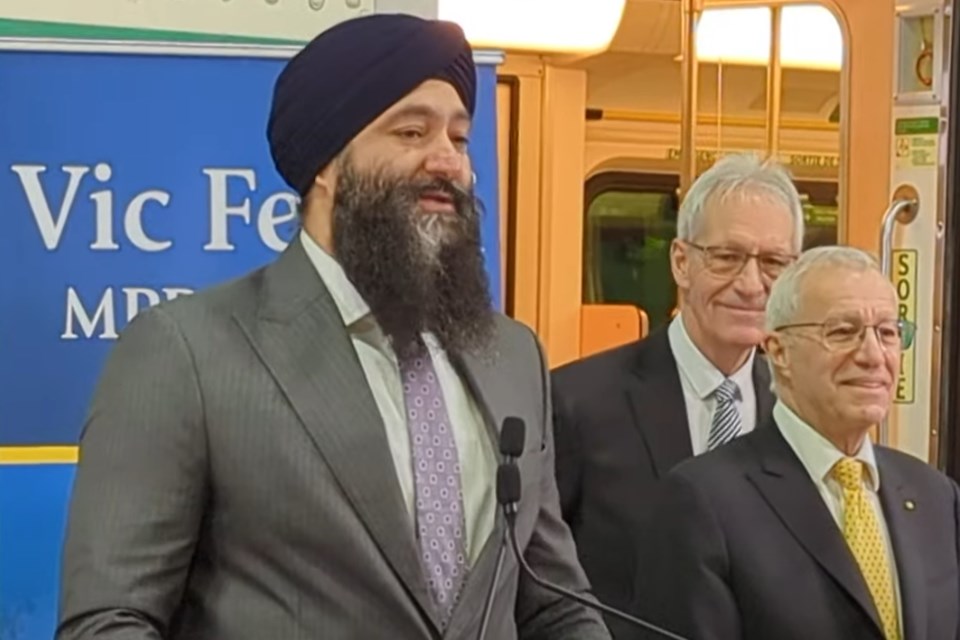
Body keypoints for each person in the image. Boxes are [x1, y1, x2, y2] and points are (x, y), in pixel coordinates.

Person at [56, 14, 610, 640]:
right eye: (411, 131)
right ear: (326, 165)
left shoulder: (512, 355)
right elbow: (110, 621)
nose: (448, 161)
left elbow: (555, 604)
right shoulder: (187, 350)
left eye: (459, 138)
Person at [633, 245, 960, 640]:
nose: (874, 355)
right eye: (843, 332)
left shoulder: (935, 496)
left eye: (888, 332)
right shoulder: (704, 501)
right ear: (778, 352)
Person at [550, 153, 802, 637]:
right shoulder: (577, 402)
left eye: (772, 262)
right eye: (727, 257)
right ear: (682, 262)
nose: (751, 284)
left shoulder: (801, 412)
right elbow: (538, 583)